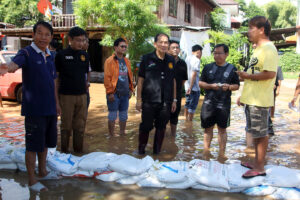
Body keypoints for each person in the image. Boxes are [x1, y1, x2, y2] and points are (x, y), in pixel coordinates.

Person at [0, 21, 60, 192]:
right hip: (34, 109)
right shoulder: (26, 52)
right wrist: (7, 67)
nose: (43, 37)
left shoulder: (50, 56)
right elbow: (14, 65)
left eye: (47, 34)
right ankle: (32, 180)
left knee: (46, 143)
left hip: (50, 108)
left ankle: (42, 170)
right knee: (33, 145)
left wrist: (57, 103)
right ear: (34, 35)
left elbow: (53, 81)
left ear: (51, 37)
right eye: (40, 33)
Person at [237, 16, 278, 178]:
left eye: (251, 28)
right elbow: (255, 73)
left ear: (261, 30)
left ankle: (260, 167)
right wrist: (243, 94)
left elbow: (270, 73)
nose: (248, 32)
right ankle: (256, 162)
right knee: (255, 132)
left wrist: (247, 75)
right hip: (252, 98)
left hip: (260, 100)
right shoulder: (258, 49)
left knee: (261, 134)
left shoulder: (269, 48)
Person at [136, 33, 177, 154]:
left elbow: (173, 80)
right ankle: (141, 151)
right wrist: (138, 100)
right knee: (146, 126)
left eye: (166, 42)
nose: (164, 45)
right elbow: (140, 80)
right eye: (161, 42)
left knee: (161, 126)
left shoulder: (171, 60)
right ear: (155, 44)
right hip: (149, 101)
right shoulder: (146, 59)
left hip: (166, 101)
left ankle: (156, 153)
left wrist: (174, 100)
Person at [199, 44, 240, 158]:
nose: (216, 55)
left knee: (222, 129)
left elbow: (237, 85)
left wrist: (229, 87)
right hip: (209, 103)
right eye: (215, 53)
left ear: (226, 54)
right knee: (208, 129)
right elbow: (200, 83)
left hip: (224, 103)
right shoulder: (208, 67)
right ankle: (206, 151)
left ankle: (221, 153)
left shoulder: (232, 69)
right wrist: (211, 86)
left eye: (219, 53)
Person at [55, 27, 89, 153]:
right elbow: (56, 79)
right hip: (66, 96)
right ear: (70, 40)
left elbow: (85, 75)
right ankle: (64, 152)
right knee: (66, 126)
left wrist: (87, 85)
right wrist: (57, 101)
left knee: (80, 126)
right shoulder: (61, 55)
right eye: (78, 40)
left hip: (82, 96)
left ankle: (78, 153)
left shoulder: (84, 56)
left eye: (83, 40)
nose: (81, 43)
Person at [104, 38, 134, 136]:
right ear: (115, 47)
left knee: (124, 116)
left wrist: (131, 89)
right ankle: (111, 136)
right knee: (112, 115)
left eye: (125, 46)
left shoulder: (127, 61)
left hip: (125, 93)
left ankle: (122, 134)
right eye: (122, 46)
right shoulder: (109, 61)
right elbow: (107, 78)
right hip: (114, 93)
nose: (124, 48)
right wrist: (109, 92)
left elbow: (130, 76)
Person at [168, 40, 188, 136]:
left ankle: (173, 136)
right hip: (165, 93)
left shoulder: (182, 63)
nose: (175, 49)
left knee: (175, 115)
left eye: (177, 47)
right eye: (173, 47)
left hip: (178, 94)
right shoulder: (165, 61)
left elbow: (184, 79)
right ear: (169, 49)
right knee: (162, 115)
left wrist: (178, 89)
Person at [184, 45, 202, 121]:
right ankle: (190, 123)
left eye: (200, 53)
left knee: (187, 104)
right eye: (199, 53)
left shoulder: (187, 58)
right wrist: (191, 88)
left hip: (187, 86)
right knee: (192, 106)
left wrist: (187, 87)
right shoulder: (197, 60)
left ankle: (185, 120)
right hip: (193, 88)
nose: (200, 55)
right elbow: (194, 74)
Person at [82, 35, 91, 111]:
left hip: (85, 90)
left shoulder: (86, 56)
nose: (88, 44)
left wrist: (87, 82)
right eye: (86, 42)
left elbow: (88, 71)